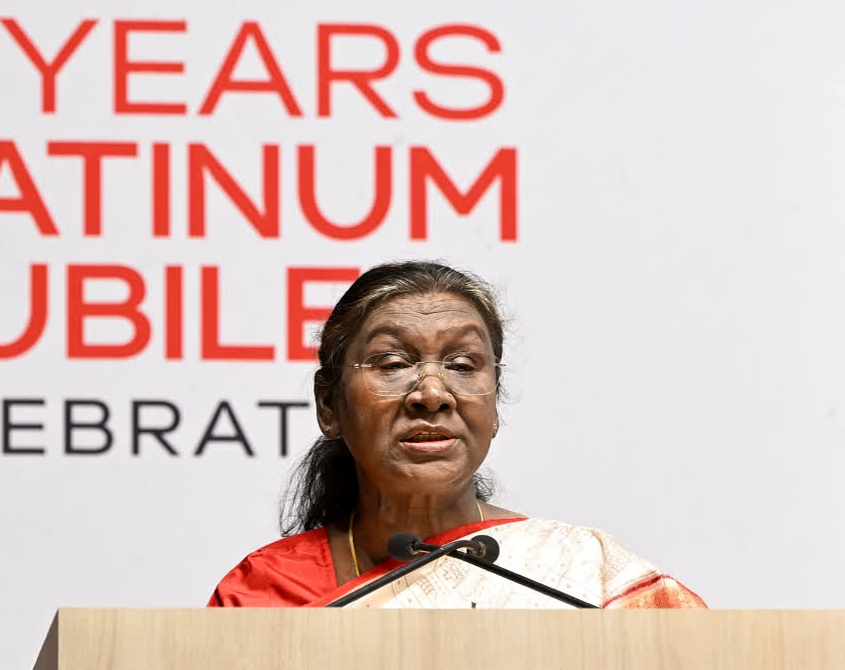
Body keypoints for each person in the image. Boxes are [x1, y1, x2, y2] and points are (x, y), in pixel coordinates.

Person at [207, 261, 704, 609]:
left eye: (464, 365)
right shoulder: (265, 592)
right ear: (329, 404)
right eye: (393, 363)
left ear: (493, 400)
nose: (431, 394)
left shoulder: (585, 577)